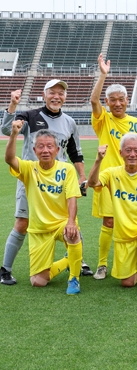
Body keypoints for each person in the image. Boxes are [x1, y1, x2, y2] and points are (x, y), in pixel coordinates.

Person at [1, 79, 92, 285]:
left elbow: (74, 151)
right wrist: (13, 106)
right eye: (52, 92)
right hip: (31, 180)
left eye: (61, 93)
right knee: (22, 223)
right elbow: (7, 130)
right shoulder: (30, 116)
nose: (56, 96)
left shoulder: (69, 122)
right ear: (44, 95)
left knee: (70, 221)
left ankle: (78, 261)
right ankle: (5, 269)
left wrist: (82, 175)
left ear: (65, 97)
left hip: (60, 182)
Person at [4, 123, 83, 295]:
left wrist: (71, 222)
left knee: (74, 233)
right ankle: (69, 260)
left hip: (62, 223)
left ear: (57, 150)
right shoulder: (29, 168)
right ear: (34, 149)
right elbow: (9, 159)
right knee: (38, 281)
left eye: (49, 146)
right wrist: (13, 135)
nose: (45, 150)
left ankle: (74, 278)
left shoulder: (67, 169)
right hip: (39, 230)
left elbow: (72, 198)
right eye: (41, 146)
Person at [88, 133, 137, 296]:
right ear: (120, 152)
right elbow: (93, 183)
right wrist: (98, 160)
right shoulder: (111, 173)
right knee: (128, 283)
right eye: (128, 150)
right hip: (123, 233)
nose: (132, 154)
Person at [90, 53, 137, 280]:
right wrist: (103, 75)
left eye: (121, 99)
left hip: (131, 180)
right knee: (109, 221)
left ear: (127, 99)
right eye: (113, 99)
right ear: (108, 102)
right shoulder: (103, 119)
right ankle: (102, 264)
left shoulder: (136, 123)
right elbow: (93, 101)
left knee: (132, 222)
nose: (118, 103)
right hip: (107, 179)